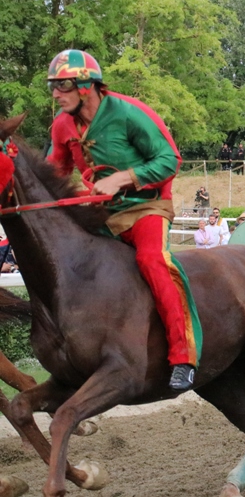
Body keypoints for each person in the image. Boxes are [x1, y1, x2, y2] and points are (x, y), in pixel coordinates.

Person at [47, 49, 200, 390]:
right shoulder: (61, 125)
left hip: (146, 208)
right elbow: (54, 172)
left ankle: (183, 357)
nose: (56, 94)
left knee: (152, 260)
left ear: (86, 86)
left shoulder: (130, 113)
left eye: (62, 86)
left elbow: (169, 160)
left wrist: (121, 178)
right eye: (53, 87)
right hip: (99, 214)